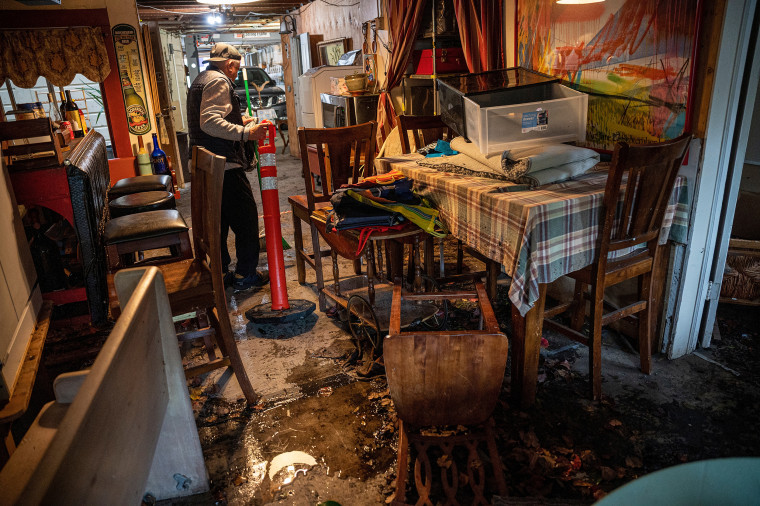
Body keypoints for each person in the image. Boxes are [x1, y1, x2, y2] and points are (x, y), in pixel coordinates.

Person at [187, 43, 269, 292]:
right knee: (246, 219)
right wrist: (246, 132)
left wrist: (239, 120)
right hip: (223, 163)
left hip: (207, 163)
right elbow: (210, 122)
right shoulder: (218, 81)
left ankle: (221, 270)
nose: (236, 73)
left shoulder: (202, 78)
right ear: (230, 65)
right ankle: (245, 274)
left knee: (220, 221)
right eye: (237, 68)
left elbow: (214, 118)